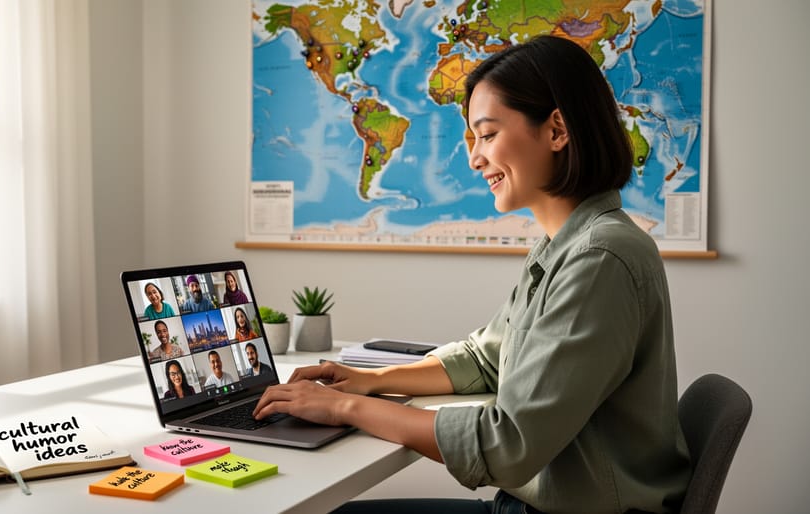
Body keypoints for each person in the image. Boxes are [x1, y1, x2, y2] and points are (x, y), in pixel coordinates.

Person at [253, 35, 691, 514]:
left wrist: (342, 408)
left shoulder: (599, 257)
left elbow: (508, 446)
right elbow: (486, 358)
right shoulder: (563, 244)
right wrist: (368, 381)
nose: (474, 158)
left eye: (486, 134)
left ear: (557, 129)